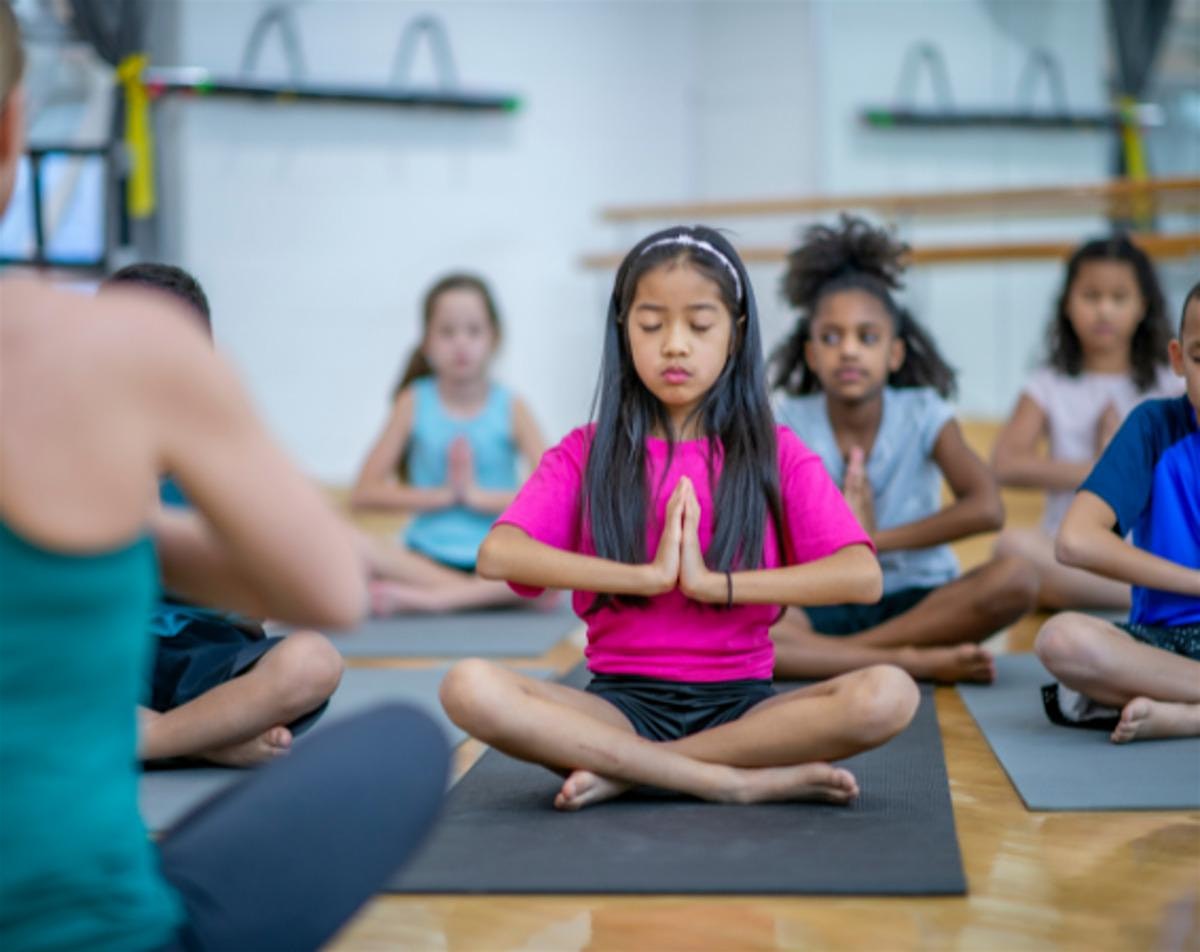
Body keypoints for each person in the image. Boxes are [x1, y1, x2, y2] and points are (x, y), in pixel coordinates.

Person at [0, 10, 447, 949]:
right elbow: (329, 582)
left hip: (185, 667)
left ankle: (168, 733)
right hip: (84, 921)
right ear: (15, 130)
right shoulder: (86, 357)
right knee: (404, 741)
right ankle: (178, 737)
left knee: (304, 661)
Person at [439, 225, 919, 812]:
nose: (674, 345)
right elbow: (500, 555)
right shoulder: (587, 451)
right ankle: (726, 780)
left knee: (888, 695)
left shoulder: (774, 449)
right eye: (651, 325)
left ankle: (637, 772)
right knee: (467, 686)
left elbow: (860, 576)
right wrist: (644, 576)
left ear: (735, 335)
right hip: (617, 707)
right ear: (624, 332)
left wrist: (715, 586)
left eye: (698, 325)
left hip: (745, 708)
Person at [770, 216, 1036, 684]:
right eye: (831, 338)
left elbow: (987, 508)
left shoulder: (922, 411)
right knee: (746, 623)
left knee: (1018, 578)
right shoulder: (789, 420)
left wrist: (868, 541)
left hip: (918, 597)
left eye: (866, 337)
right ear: (812, 355)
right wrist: (835, 547)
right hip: (823, 600)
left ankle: (840, 658)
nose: (849, 351)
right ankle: (908, 661)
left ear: (894, 353)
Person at [103, 262, 343, 767]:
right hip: (113, 651)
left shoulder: (225, 457)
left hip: (207, 653)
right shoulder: (74, 453)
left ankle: (154, 739)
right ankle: (212, 740)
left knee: (314, 661)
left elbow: (258, 601)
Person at [1035, 282, 1200, 743]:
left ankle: (1188, 716)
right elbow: (1074, 541)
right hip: (1164, 648)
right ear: (1178, 359)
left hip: (1164, 677)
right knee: (1060, 640)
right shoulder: (1153, 426)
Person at [992, 235, 1181, 610]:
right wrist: (1101, 469)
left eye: (1119, 298)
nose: (1104, 311)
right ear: (1067, 305)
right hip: (1072, 551)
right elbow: (1005, 463)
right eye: (1091, 297)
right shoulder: (1049, 383)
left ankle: (1158, 587)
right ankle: (1155, 594)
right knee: (1009, 547)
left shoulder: (1172, 383)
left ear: (1143, 305)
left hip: (1154, 551)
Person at [352, 273, 546, 614]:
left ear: (494, 339)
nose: (460, 343)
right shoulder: (412, 402)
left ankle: (438, 599)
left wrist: (477, 497)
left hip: (498, 557)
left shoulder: (512, 406)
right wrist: (442, 496)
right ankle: (474, 596)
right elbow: (363, 493)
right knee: (356, 547)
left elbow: (554, 496)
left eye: (473, 331)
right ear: (426, 342)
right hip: (426, 559)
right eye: (447, 332)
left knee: (557, 563)